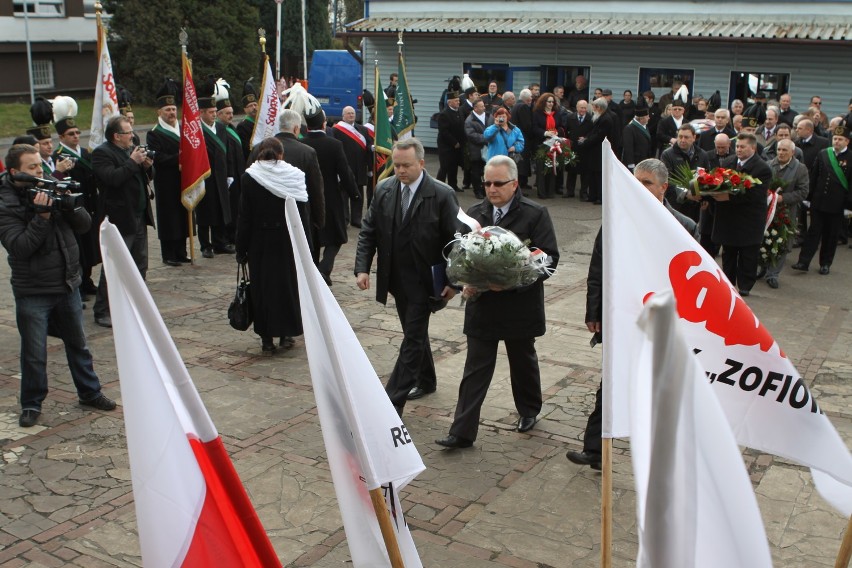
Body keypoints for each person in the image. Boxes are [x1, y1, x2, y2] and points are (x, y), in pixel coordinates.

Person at [567, 158, 697, 469]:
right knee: (610, 384)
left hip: (662, 322)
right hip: (621, 317)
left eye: (646, 183)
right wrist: (594, 311)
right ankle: (596, 450)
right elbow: (598, 269)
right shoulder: (615, 220)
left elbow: (692, 282)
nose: (638, 189)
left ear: (663, 187)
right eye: (634, 182)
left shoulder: (684, 227)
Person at [435, 155, 559, 448]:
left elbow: (549, 257)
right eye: (487, 183)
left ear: (515, 184)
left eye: (498, 183)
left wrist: (512, 281)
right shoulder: (475, 213)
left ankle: (529, 410)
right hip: (483, 305)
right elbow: (462, 254)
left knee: (522, 361)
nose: (492, 189)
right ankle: (461, 432)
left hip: (519, 305)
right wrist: (464, 281)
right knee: (476, 367)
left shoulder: (535, 213)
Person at [0, 144, 117, 427]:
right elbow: (20, 247)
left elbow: (85, 225)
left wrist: (70, 204)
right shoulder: (5, 203)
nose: (40, 172)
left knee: (78, 344)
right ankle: (31, 403)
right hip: (33, 289)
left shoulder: (50, 184)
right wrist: (41, 217)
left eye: (40, 166)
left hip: (67, 282)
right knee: (34, 353)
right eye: (32, 168)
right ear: (15, 172)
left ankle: (90, 392)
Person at [354, 138, 460, 411]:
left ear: (421, 164)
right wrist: (363, 267)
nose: (400, 171)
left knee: (412, 338)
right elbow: (369, 230)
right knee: (414, 331)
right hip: (395, 279)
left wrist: (453, 282)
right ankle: (427, 379)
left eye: (406, 166)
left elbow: (457, 242)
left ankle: (392, 402)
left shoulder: (441, 194)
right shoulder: (385, 189)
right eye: (396, 165)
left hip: (426, 281)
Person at [235, 138, 310, 354]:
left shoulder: (250, 177)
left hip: (260, 243)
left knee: (263, 289)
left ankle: (266, 338)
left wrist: (241, 248)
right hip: (287, 242)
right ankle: (286, 334)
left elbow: (245, 217)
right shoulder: (294, 176)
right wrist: (306, 246)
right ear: (281, 154)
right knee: (287, 287)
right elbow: (302, 217)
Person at [91, 116, 154, 328]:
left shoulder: (131, 150)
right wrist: (133, 162)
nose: (133, 135)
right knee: (115, 266)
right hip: (119, 219)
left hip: (138, 215)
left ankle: (136, 304)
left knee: (140, 264)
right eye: (128, 132)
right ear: (117, 136)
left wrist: (146, 166)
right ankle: (102, 310)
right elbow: (113, 179)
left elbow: (142, 177)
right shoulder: (102, 153)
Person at [708, 132, 773, 296]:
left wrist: (728, 196)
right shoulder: (729, 162)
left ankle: (745, 286)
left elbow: (756, 194)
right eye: (737, 146)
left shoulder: (762, 168)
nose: (739, 149)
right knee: (728, 254)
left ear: (753, 148)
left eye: (742, 146)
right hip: (729, 218)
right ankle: (728, 284)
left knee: (747, 255)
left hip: (748, 219)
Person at [301, 109, 359, 286]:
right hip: (331, 198)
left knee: (314, 238)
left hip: (307, 197)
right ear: (324, 124)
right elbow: (345, 171)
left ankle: (313, 272)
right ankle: (323, 270)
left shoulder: (301, 144)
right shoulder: (334, 145)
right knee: (336, 237)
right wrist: (354, 193)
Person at [52, 96, 100, 297]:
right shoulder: (59, 157)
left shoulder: (86, 153)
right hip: (74, 208)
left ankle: (87, 279)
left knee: (90, 246)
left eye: (77, 133)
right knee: (78, 247)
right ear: (62, 137)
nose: (75, 136)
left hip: (90, 204)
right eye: (70, 134)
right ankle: (79, 284)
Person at [791, 124, 852, 275]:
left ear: (847, 141)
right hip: (818, 202)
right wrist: (808, 197)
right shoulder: (824, 154)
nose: (836, 142)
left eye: (840, 139)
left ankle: (825, 263)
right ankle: (803, 262)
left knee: (830, 236)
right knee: (813, 233)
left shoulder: (850, 158)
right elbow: (814, 177)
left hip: (837, 205)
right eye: (835, 139)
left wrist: (848, 206)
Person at [146, 78, 189, 267]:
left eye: (173, 109)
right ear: (159, 112)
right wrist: (178, 159)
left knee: (181, 214)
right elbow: (157, 157)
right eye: (167, 110)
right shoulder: (154, 133)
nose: (171, 113)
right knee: (169, 216)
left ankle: (181, 251)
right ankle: (168, 254)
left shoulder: (183, 128)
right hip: (166, 181)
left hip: (183, 179)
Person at [274, 109, 325, 258]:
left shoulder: (260, 149)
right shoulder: (307, 152)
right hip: (299, 217)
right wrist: (319, 220)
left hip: (267, 220)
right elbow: (316, 189)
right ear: (296, 128)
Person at [763, 139, 809, 288]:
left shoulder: (800, 168)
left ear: (792, 153)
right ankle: (763, 267)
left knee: (782, 243)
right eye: (779, 150)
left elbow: (803, 191)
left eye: (785, 150)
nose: (781, 153)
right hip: (768, 211)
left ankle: (773, 274)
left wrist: (783, 198)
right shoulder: (769, 165)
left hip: (787, 212)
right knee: (765, 239)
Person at [196, 84, 234, 259]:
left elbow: (227, 153)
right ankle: (206, 245)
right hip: (204, 175)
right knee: (205, 211)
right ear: (202, 112)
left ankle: (220, 242)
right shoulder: (197, 130)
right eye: (210, 112)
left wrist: (229, 173)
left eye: (214, 111)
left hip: (221, 174)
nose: (213, 114)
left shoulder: (220, 128)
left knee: (220, 209)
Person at [333, 105, 373, 228]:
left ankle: (356, 219)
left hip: (360, 167)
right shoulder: (336, 130)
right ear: (343, 115)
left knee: (358, 195)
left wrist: (370, 167)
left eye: (353, 113)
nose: (351, 115)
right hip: (345, 168)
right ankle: (345, 220)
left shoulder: (363, 130)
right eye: (348, 113)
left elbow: (368, 147)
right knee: (344, 195)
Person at [577, 98, 617, 204]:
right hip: (594, 151)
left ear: (598, 108)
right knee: (593, 174)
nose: (592, 109)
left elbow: (599, 136)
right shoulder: (599, 117)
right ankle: (593, 195)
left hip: (599, 151)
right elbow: (593, 132)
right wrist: (585, 138)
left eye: (594, 107)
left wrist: (586, 141)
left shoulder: (606, 119)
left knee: (598, 175)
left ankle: (599, 196)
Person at [531, 92, 564, 198]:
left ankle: (551, 192)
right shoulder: (537, 113)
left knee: (552, 167)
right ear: (544, 102)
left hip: (554, 144)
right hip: (542, 143)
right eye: (548, 101)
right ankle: (542, 192)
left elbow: (561, 126)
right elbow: (534, 128)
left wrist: (557, 132)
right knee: (541, 169)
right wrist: (546, 133)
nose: (550, 104)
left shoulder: (557, 113)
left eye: (552, 102)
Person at [436, 90, 466, 192]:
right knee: (445, 166)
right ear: (449, 102)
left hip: (458, 145)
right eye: (456, 101)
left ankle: (453, 185)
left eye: (458, 100)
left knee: (454, 166)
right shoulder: (444, 114)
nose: (458, 102)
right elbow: (444, 132)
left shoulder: (460, 111)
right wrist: (454, 142)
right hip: (446, 146)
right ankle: (438, 186)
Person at [464, 99, 494, 199]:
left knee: (487, 171)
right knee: (476, 171)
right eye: (481, 106)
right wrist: (486, 138)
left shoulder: (489, 116)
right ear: (475, 108)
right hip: (476, 150)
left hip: (489, 149)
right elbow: (471, 135)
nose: (484, 107)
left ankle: (485, 189)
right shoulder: (469, 120)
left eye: (483, 105)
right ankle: (477, 191)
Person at [566, 100, 593, 199]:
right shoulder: (570, 117)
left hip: (585, 149)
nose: (583, 110)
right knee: (571, 171)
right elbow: (566, 130)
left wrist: (586, 138)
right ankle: (570, 191)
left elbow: (592, 132)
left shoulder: (591, 119)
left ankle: (584, 193)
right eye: (581, 108)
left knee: (585, 173)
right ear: (577, 108)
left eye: (585, 108)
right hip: (573, 148)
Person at [236, 77, 259, 160]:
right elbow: (246, 149)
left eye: (255, 105)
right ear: (245, 110)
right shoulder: (243, 126)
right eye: (250, 106)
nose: (254, 108)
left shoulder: (262, 121)